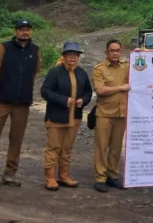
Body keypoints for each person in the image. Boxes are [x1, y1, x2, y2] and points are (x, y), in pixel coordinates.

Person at [0, 19, 41, 189]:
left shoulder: (35, 51)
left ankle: (10, 174)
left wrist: (28, 93)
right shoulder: (4, 48)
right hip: (3, 100)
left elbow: (33, 74)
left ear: (30, 32)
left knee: (16, 140)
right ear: (15, 31)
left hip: (22, 103)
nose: (24, 32)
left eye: (27, 30)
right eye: (21, 29)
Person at [40, 41, 93, 191]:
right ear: (63, 56)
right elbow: (45, 91)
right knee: (53, 147)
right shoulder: (55, 72)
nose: (73, 58)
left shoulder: (81, 72)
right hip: (56, 116)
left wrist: (83, 100)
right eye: (69, 54)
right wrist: (63, 100)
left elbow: (89, 92)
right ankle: (50, 178)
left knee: (67, 148)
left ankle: (64, 176)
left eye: (75, 55)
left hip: (74, 117)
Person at [92, 38, 130, 193]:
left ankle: (112, 175)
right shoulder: (99, 69)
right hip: (104, 114)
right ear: (106, 52)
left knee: (115, 148)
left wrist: (144, 54)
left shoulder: (127, 67)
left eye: (118, 50)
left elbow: (144, 69)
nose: (115, 53)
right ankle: (100, 178)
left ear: (121, 51)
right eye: (112, 50)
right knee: (101, 147)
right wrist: (122, 87)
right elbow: (100, 90)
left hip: (121, 114)